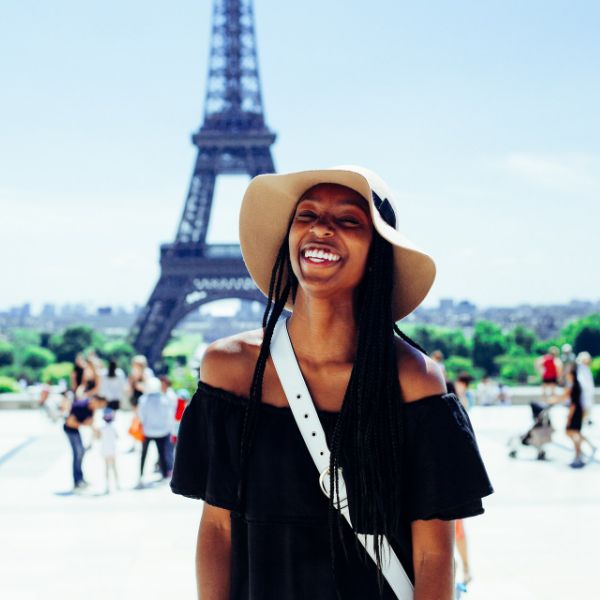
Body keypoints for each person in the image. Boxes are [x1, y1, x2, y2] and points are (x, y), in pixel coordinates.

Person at [170, 166, 493, 599]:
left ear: (378, 252)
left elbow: (432, 556)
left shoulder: (414, 381)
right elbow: (217, 528)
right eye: (306, 216)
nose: (322, 227)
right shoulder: (229, 370)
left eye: (348, 220)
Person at [554, 363, 596, 468]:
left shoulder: (573, 386)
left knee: (573, 432)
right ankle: (588, 448)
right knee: (574, 432)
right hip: (579, 410)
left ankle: (578, 455)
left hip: (576, 411)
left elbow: (573, 402)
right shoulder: (576, 384)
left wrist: (569, 416)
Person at [137, 377, 175, 486]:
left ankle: (140, 475)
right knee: (161, 453)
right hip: (162, 431)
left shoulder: (143, 399)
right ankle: (163, 476)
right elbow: (168, 416)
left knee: (144, 454)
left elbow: (141, 416)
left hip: (147, 431)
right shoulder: (164, 399)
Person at [63, 394, 102, 491]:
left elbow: (91, 422)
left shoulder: (92, 409)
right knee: (78, 454)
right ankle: (77, 481)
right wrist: (83, 424)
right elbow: (70, 422)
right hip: (70, 430)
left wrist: (96, 433)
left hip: (76, 430)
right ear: (93, 400)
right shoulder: (80, 406)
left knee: (81, 453)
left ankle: (80, 478)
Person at [96, 408, 119, 494]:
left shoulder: (101, 427)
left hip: (105, 450)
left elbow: (97, 437)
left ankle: (107, 485)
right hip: (112, 449)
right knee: (114, 467)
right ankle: (117, 484)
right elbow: (117, 437)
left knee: (106, 468)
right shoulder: (114, 426)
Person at [577, 351, 595, 425]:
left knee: (587, 406)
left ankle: (586, 419)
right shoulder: (581, 368)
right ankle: (584, 420)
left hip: (588, 391)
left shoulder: (585, 367)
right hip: (585, 391)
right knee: (585, 405)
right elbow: (581, 380)